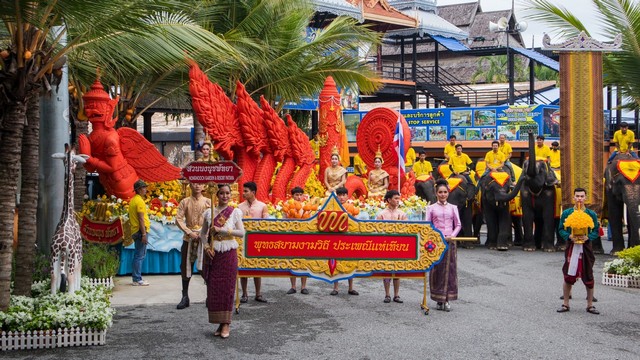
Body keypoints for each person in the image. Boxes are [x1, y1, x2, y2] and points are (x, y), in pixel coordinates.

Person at [201, 184, 245, 338]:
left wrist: (223, 230)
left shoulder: (234, 212)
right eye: (222, 193)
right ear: (217, 195)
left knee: (227, 288)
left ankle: (226, 324)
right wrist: (206, 247)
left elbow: (241, 233)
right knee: (214, 288)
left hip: (228, 253)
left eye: (227, 193)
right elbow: (202, 234)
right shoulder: (209, 213)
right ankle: (219, 322)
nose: (225, 196)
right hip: (214, 254)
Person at [557, 188, 600, 315]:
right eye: (577, 196)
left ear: (585, 198)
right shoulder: (567, 213)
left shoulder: (591, 214)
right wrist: (569, 236)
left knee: (588, 274)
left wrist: (588, 237)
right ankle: (565, 303)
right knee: (568, 274)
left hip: (586, 247)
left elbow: (596, 230)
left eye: (582, 196)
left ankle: (590, 305)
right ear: (573, 198)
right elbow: (561, 229)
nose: (580, 198)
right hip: (572, 246)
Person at [425, 180, 461, 311]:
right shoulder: (430, 208)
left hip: (450, 241)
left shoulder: (453, 207)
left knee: (450, 269)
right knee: (437, 269)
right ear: (436, 193)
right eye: (440, 192)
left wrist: (453, 235)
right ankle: (438, 298)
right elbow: (427, 226)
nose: (443, 194)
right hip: (436, 242)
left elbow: (458, 224)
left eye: (445, 192)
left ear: (448, 193)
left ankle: (447, 299)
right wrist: (436, 236)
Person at [175, 182, 211, 309]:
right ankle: (185, 297)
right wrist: (189, 232)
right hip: (188, 238)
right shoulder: (185, 202)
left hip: (203, 239)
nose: (197, 186)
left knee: (205, 266)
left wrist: (204, 233)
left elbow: (213, 219)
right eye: (194, 184)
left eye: (199, 184)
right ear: (190, 185)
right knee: (185, 266)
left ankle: (210, 296)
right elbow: (178, 219)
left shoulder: (208, 201)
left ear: (204, 186)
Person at [238, 181, 268, 303]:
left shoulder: (262, 206)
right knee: (243, 266)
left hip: (257, 241)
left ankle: (258, 293)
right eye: (243, 191)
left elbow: (266, 223)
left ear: (253, 192)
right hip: (243, 240)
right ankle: (244, 294)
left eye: (246, 191)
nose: (243, 193)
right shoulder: (239, 207)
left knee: (257, 266)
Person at [376, 190, 407, 304]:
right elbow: (377, 231)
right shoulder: (381, 214)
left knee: (397, 270)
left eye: (399, 198)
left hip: (398, 246)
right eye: (396, 198)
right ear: (389, 200)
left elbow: (407, 230)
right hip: (386, 246)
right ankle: (387, 294)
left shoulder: (402, 214)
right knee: (386, 270)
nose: (398, 201)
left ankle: (396, 295)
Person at [331, 187, 358, 296]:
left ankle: (351, 288)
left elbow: (356, 223)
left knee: (350, 263)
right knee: (335, 263)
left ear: (347, 196)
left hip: (349, 237)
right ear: (336, 196)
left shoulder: (351, 207)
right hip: (336, 238)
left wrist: (349, 216)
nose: (342, 197)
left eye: (344, 195)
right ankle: (335, 288)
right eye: (340, 195)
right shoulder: (332, 207)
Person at [287, 187, 309, 295]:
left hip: (304, 237)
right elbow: (283, 223)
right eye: (296, 195)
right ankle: (293, 286)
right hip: (292, 237)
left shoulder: (307, 207)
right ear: (293, 196)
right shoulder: (287, 207)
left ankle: (304, 286)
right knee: (292, 261)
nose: (299, 197)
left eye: (300, 194)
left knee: (303, 262)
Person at [129, 180, 150, 286]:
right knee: (139, 255)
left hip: (135, 230)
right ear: (138, 190)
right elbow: (141, 219)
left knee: (138, 254)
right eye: (143, 188)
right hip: (140, 231)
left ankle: (136, 278)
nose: (145, 189)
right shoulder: (139, 201)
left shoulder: (133, 200)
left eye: (145, 187)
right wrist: (144, 234)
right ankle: (137, 279)